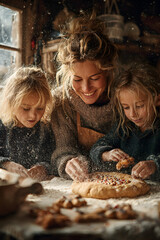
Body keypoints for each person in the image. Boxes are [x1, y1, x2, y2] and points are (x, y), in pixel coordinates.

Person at [51, 14, 118, 181]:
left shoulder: (124, 96)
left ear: (108, 71)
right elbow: (63, 150)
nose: (86, 88)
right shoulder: (62, 102)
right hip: (82, 182)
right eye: (77, 79)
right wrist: (67, 162)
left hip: (119, 179)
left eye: (95, 78)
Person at [90, 63, 160, 181]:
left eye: (139, 106)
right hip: (126, 186)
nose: (132, 114)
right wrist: (106, 154)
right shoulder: (124, 127)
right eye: (126, 107)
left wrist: (154, 164)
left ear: (157, 100)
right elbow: (96, 148)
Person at [0, 66, 55, 181]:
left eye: (40, 108)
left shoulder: (45, 128)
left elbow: (52, 158)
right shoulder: (2, 126)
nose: (33, 116)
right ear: (11, 103)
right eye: (25, 109)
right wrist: (6, 164)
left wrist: (42, 168)